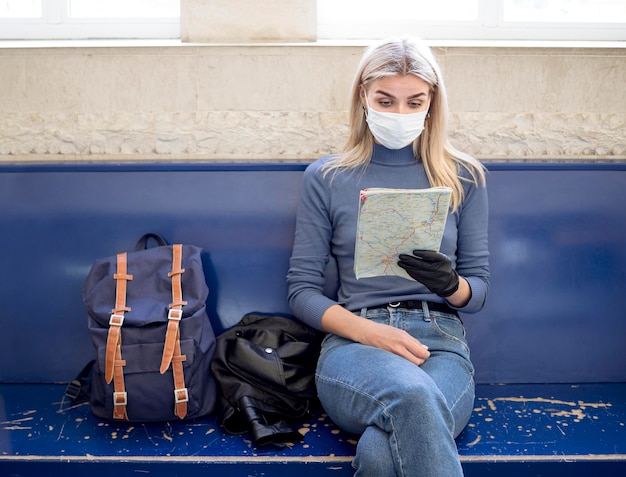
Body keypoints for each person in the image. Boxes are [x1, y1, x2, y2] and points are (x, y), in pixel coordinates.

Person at [286, 37, 489, 477]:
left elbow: (478, 292)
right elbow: (301, 292)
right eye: (385, 100)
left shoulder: (463, 177)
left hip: (439, 342)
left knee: (381, 453)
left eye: (414, 101)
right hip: (354, 342)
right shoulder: (326, 177)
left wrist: (450, 284)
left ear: (433, 103)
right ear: (363, 96)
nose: (400, 114)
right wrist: (372, 334)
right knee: (412, 398)